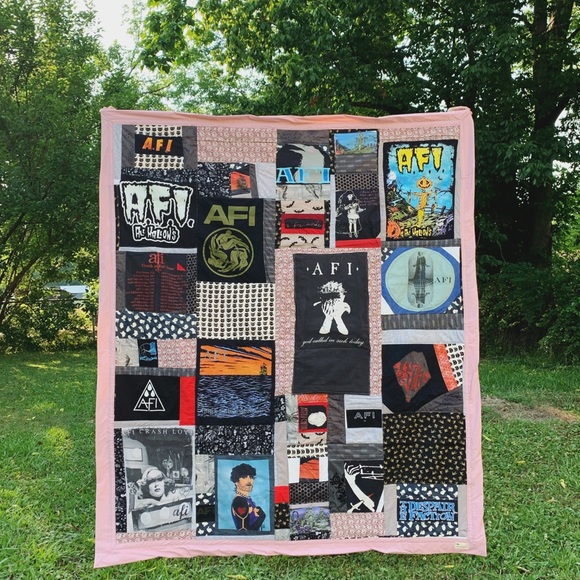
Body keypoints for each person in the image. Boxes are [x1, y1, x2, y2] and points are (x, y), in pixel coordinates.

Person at [230, 463, 266, 531]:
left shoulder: (246, 499)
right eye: (244, 477)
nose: (249, 481)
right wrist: (261, 517)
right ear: (236, 481)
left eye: (251, 477)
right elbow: (245, 530)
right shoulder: (239, 501)